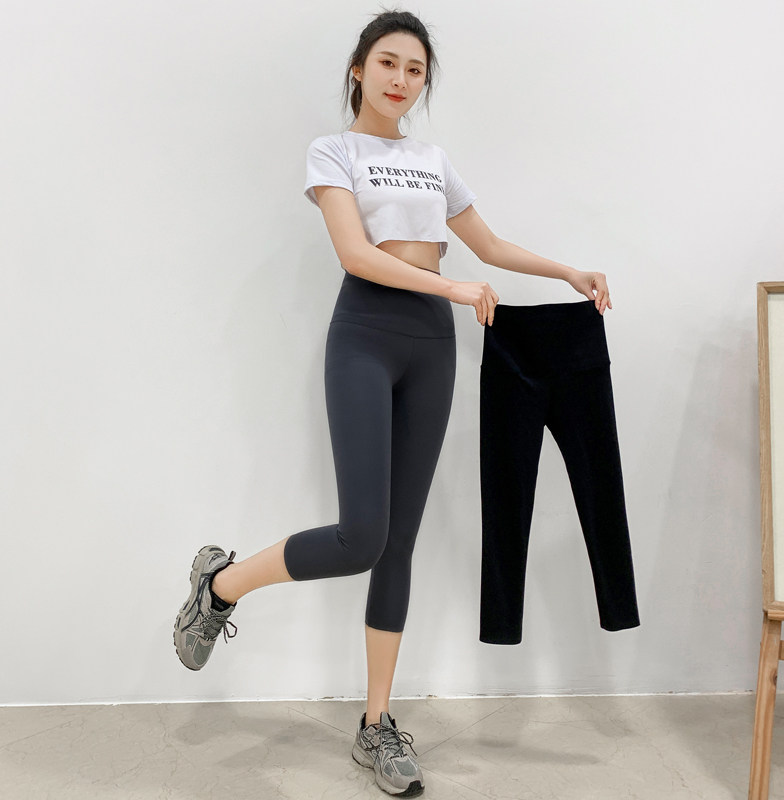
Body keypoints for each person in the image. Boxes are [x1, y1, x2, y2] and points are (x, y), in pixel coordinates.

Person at [173, 8, 612, 797]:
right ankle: (221, 586)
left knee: (397, 544)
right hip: (366, 336)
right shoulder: (333, 151)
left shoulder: (432, 160)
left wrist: (567, 272)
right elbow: (355, 253)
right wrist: (453, 288)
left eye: (415, 69)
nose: (401, 79)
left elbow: (489, 245)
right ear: (359, 68)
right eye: (387, 63)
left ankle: (376, 725)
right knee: (362, 535)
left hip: (430, 347)